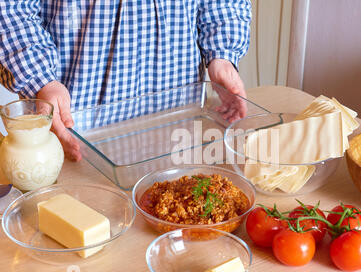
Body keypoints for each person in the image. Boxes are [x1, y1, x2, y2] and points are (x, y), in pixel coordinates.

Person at [0, 0, 251, 161]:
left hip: (177, 127)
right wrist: (42, 80)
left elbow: (224, 4)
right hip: (75, 128)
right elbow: (11, 10)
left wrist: (222, 55)